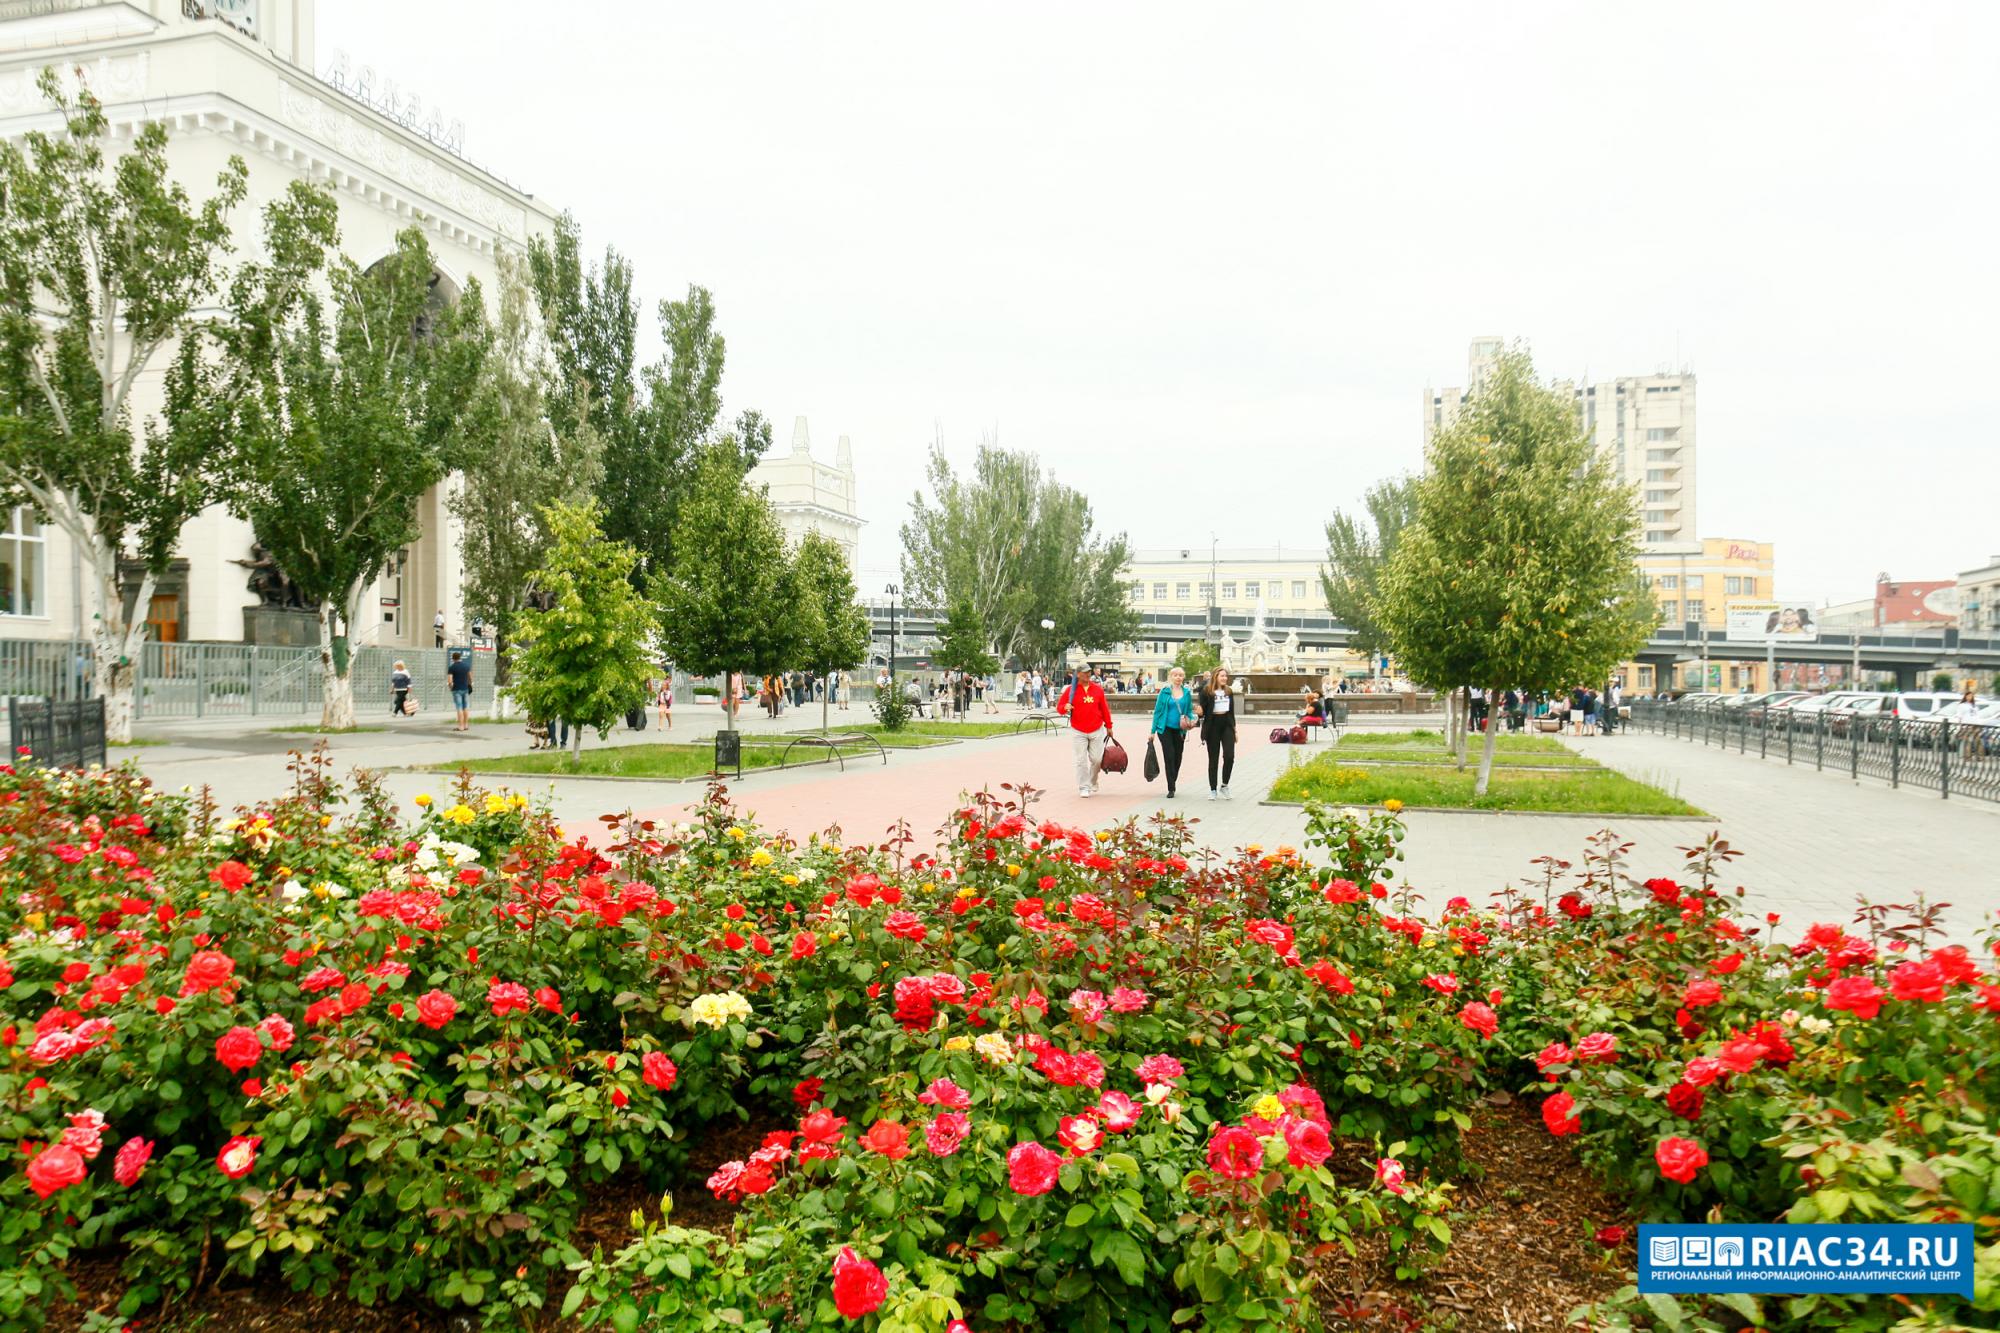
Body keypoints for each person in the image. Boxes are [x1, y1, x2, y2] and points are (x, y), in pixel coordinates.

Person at [1057, 664, 1114, 797]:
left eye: (1089, 672)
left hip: (1096, 729)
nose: (1088, 674)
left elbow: (1105, 709)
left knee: (1097, 760)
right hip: (1078, 730)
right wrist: (1065, 707)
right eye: (1084, 672)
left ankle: (1093, 781)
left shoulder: (1097, 690)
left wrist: (1109, 726)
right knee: (1081, 760)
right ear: (1078, 674)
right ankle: (1084, 787)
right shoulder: (1071, 690)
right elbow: (1059, 708)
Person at [1149, 666, 1199, 798]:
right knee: (1169, 755)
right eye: (1176, 675)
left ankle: (1173, 777)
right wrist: (1152, 731)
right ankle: (1171, 787)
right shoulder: (1165, 692)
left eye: (1181, 675)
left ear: (1183, 677)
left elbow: (1188, 711)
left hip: (1180, 730)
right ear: (1171, 677)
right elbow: (1157, 712)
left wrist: (1193, 719)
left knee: (1178, 757)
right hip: (1164, 729)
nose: (1178, 677)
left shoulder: (1187, 693)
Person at [1196, 666, 1238, 800]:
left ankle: (1224, 785)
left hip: (1226, 725)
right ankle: (1213, 789)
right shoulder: (1207, 691)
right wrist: (1199, 712)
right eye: (1222, 676)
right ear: (1216, 677)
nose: (1224, 678)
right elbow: (1201, 711)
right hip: (1212, 726)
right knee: (1213, 759)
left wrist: (1235, 730)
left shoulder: (1229, 691)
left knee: (1229, 756)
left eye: (1226, 676)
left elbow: (1231, 712)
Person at [446, 650, 473, 732]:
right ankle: (466, 725)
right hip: (465, 689)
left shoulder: (452, 667)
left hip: (456, 689)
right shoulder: (466, 666)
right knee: (465, 707)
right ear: (460, 657)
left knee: (459, 708)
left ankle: (460, 726)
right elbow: (470, 678)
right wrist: (470, 684)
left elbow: (450, 680)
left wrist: (451, 687)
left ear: (453, 658)